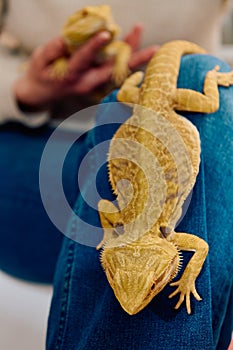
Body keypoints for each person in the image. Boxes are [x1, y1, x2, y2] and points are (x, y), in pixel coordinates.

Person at [0, 1, 232, 349]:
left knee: (196, 70)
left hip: (158, 114)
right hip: (29, 143)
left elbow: (109, 208)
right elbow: (195, 246)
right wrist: (23, 89)